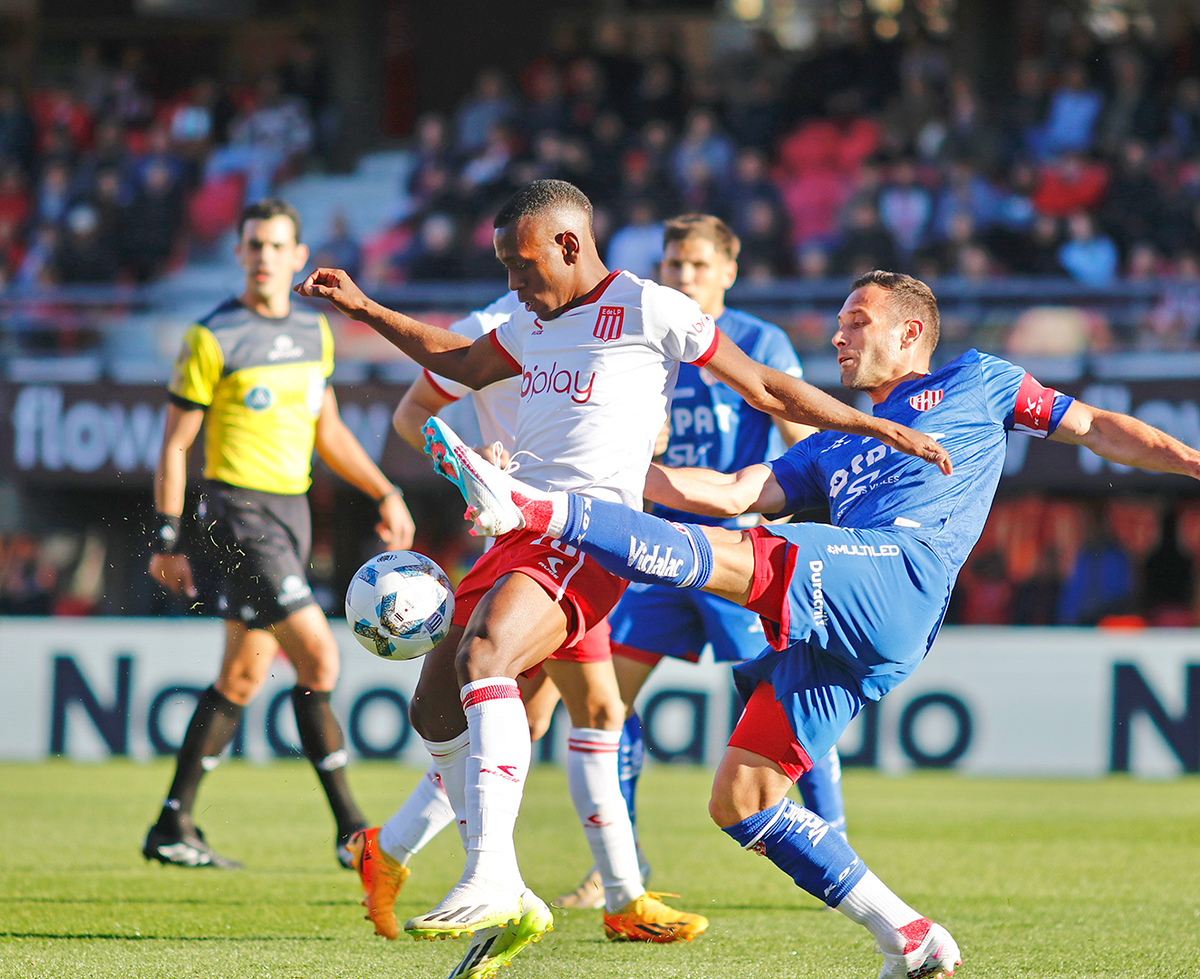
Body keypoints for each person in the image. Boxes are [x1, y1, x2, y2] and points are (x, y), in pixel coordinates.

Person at [433, 269, 1200, 979]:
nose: (837, 335)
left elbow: (1097, 427)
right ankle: (907, 932)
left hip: (899, 572)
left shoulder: (979, 379)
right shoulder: (837, 441)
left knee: (749, 556)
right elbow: (729, 489)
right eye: (836, 321)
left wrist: (1195, 465)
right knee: (742, 798)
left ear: (910, 333)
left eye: (856, 321)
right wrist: (578, 466)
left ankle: (538, 514)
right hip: (855, 622)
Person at [296, 180, 947, 974]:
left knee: (489, 659)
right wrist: (364, 307)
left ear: (570, 245)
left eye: (521, 263)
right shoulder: (528, 324)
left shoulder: (650, 308)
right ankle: (507, 887)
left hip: (590, 535)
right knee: (434, 710)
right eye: (502, 266)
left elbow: (767, 386)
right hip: (514, 528)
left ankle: (499, 876)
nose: (512, 283)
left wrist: (872, 420)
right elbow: (458, 362)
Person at [349, 290, 693, 960]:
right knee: (482, 706)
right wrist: (476, 458)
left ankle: (620, 897)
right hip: (524, 542)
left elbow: (649, 431)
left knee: (591, 707)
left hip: (586, 534)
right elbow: (412, 412)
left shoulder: (611, 325)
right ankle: (435, 861)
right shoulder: (491, 329)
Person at [559, 214, 847, 911]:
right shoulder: (649, 343)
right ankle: (619, 860)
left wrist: (805, 495)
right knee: (605, 704)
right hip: (657, 550)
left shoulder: (756, 342)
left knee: (778, 698)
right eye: (672, 265)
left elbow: (796, 433)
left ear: (728, 269)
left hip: (733, 557)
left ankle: (833, 835)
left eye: (694, 265)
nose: (681, 277)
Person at [143, 198, 414, 870]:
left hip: (292, 512)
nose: (264, 256)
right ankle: (352, 831)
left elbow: (330, 433)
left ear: (298, 257)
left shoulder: (314, 333)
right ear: (239, 254)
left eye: (276, 246)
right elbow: (176, 446)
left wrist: (384, 488)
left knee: (240, 675)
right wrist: (167, 537)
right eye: (253, 244)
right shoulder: (211, 337)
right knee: (319, 657)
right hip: (237, 514)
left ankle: (172, 824)